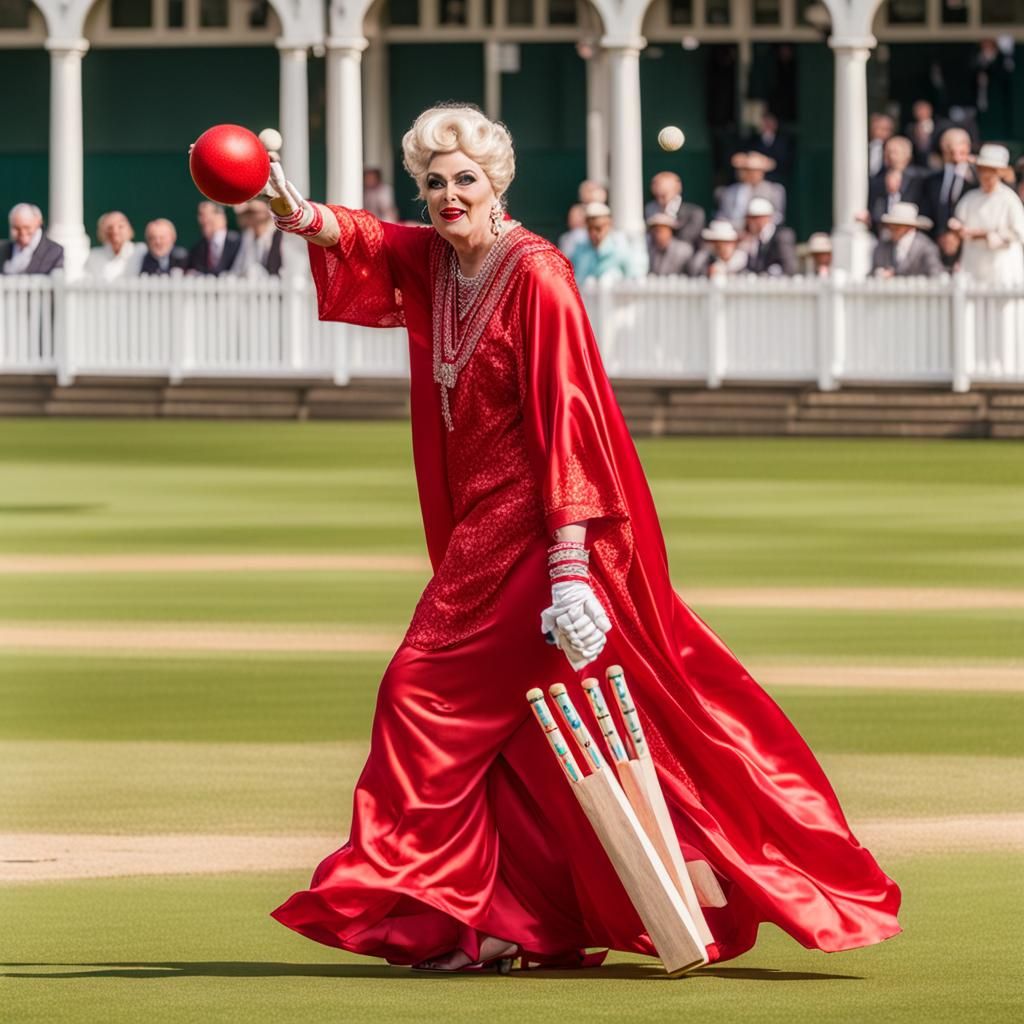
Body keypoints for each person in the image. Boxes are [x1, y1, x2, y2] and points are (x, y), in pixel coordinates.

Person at [261, 103, 900, 973]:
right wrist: (296, 211)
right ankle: (498, 923)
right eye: (434, 183)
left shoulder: (540, 275)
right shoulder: (443, 263)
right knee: (523, 739)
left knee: (418, 692)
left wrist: (572, 572)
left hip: (539, 532)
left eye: (465, 181)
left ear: (499, 185)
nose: (449, 196)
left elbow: (573, 423)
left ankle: (429, 895)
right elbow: (369, 242)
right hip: (479, 530)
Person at [950, 143, 1024, 285]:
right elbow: (959, 226)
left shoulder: (1009, 199)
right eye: (983, 170)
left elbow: (1019, 233)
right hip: (974, 267)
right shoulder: (969, 199)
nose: (986, 175)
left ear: (999, 172)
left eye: (991, 171)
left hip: (1002, 269)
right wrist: (957, 230)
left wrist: (986, 235)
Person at [570, 202, 647, 282]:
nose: (594, 233)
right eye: (590, 228)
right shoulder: (579, 251)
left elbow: (634, 278)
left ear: (609, 225)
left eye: (598, 228)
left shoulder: (620, 249)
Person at [920, 128, 976, 235]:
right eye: (948, 147)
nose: (953, 152)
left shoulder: (976, 179)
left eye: (959, 146)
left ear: (967, 147)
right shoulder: (932, 181)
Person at [870, 203, 944, 278]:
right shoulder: (882, 246)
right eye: (890, 225)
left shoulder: (926, 247)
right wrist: (879, 274)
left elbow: (937, 275)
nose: (892, 229)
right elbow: (871, 274)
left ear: (910, 227)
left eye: (897, 226)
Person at [714, 152, 786, 228]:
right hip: (732, 233)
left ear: (762, 172)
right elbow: (722, 214)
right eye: (745, 170)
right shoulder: (730, 191)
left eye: (755, 170)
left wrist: (760, 224)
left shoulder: (774, 190)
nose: (750, 174)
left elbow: (778, 217)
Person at [644, 171, 705, 250]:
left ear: (676, 192)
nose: (659, 201)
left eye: (663, 196)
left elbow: (686, 242)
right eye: (656, 196)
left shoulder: (695, 213)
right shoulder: (650, 209)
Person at [0, 203, 64, 275]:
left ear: (38, 223)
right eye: (17, 228)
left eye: (27, 227)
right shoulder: (3, 250)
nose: (22, 233)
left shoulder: (54, 252)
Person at [741, 197, 796, 276]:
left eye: (754, 218)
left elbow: (789, 268)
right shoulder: (756, 240)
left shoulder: (782, 236)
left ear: (765, 218)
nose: (749, 222)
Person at [83, 211, 145, 280]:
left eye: (120, 226)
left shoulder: (140, 252)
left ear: (129, 230)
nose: (115, 231)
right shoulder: (94, 257)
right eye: (110, 228)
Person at [230, 199, 282, 276]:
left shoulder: (279, 236)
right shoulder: (247, 236)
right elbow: (238, 266)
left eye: (251, 213)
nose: (247, 218)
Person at [187, 201, 241, 275]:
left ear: (221, 216)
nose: (202, 220)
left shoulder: (239, 243)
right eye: (200, 215)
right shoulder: (197, 249)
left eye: (204, 215)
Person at [867, 113, 895, 178]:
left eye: (887, 129)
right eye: (878, 128)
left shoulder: (891, 149)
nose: (881, 132)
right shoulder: (861, 146)